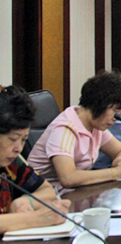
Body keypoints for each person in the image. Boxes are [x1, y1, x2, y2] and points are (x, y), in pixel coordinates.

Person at [27, 72, 121, 193]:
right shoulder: (65, 129)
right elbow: (68, 178)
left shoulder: (96, 126)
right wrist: (115, 173)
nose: (116, 118)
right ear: (99, 104)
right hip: (47, 196)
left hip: (76, 192)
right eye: (115, 112)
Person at [0, 86, 72, 233]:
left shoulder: (11, 163)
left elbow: (47, 190)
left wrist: (25, 201)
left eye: (23, 140)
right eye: (13, 139)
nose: (18, 148)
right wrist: (36, 218)